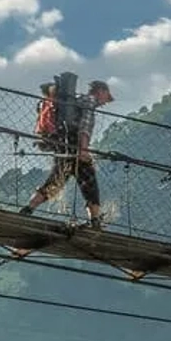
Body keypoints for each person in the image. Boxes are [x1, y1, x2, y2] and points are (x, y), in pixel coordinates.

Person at [19, 77, 114, 229]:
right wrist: (83, 150)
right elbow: (85, 127)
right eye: (106, 97)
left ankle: (28, 209)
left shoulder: (77, 101)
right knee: (90, 183)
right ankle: (95, 221)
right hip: (76, 148)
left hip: (64, 145)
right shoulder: (89, 101)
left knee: (55, 181)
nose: (105, 102)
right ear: (100, 91)